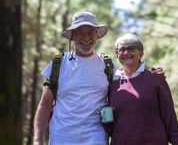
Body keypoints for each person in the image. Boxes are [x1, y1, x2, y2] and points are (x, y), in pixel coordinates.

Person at [33, 11, 165, 145]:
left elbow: (131, 78)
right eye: (80, 32)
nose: (86, 37)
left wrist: (151, 74)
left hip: (96, 139)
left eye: (91, 32)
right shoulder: (58, 64)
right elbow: (44, 105)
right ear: (72, 36)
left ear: (97, 35)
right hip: (61, 138)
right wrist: (37, 140)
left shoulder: (107, 65)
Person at [101, 33, 178, 145]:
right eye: (122, 50)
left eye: (131, 49)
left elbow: (169, 115)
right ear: (117, 54)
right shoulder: (113, 85)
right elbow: (112, 128)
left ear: (141, 53)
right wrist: (105, 120)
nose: (126, 53)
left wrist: (177, 142)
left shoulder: (156, 79)